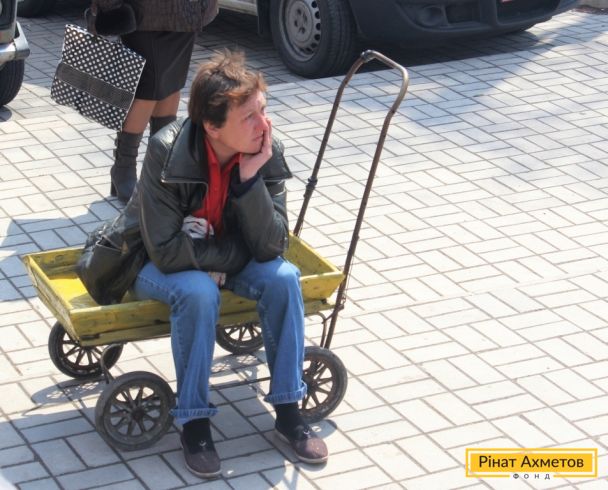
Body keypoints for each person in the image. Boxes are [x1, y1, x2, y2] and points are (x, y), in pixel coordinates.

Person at [80, 50, 329, 478]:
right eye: (249, 116)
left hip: (215, 254)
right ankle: (194, 423)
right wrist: (232, 258)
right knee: (197, 292)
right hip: (151, 263)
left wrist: (249, 180)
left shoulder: (266, 149)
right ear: (212, 126)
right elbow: (165, 250)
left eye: (263, 110)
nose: (264, 124)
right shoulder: (166, 149)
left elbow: (273, 245)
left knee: (284, 278)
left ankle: (289, 411)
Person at [88, 0, 219, 203]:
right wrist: (110, 7)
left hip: (186, 12)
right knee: (146, 92)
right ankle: (124, 167)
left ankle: (159, 168)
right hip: (142, 14)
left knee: (171, 85)